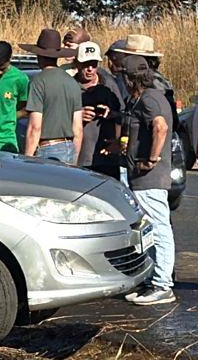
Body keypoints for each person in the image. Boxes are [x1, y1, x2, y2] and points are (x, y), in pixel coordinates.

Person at [121, 55, 175, 306]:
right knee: (149, 230)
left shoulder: (151, 99)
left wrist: (150, 159)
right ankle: (153, 280)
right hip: (143, 178)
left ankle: (163, 284)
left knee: (159, 228)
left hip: (150, 178)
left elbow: (160, 128)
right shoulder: (145, 98)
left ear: (129, 78)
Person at [20, 29, 83, 163]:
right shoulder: (72, 82)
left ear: (39, 56)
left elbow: (35, 127)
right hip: (69, 147)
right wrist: (75, 158)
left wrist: (27, 159)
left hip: (47, 149)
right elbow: (77, 128)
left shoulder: (38, 82)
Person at [74, 42, 123, 179]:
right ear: (77, 64)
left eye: (94, 64)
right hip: (80, 158)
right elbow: (59, 119)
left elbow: (123, 116)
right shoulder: (70, 87)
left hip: (106, 157)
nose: (90, 69)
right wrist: (78, 116)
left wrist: (111, 114)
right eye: (85, 64)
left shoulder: (110, 86)